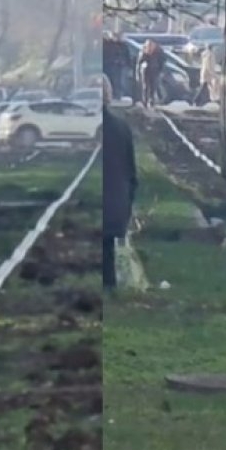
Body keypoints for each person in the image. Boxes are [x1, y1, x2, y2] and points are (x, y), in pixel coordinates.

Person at [102, 76, 137, 290]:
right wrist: (128, 201)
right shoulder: (121, 128)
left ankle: (107, 285)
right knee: (106, 244)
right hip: (117, 205)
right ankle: (109, 284)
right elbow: (131, 171)